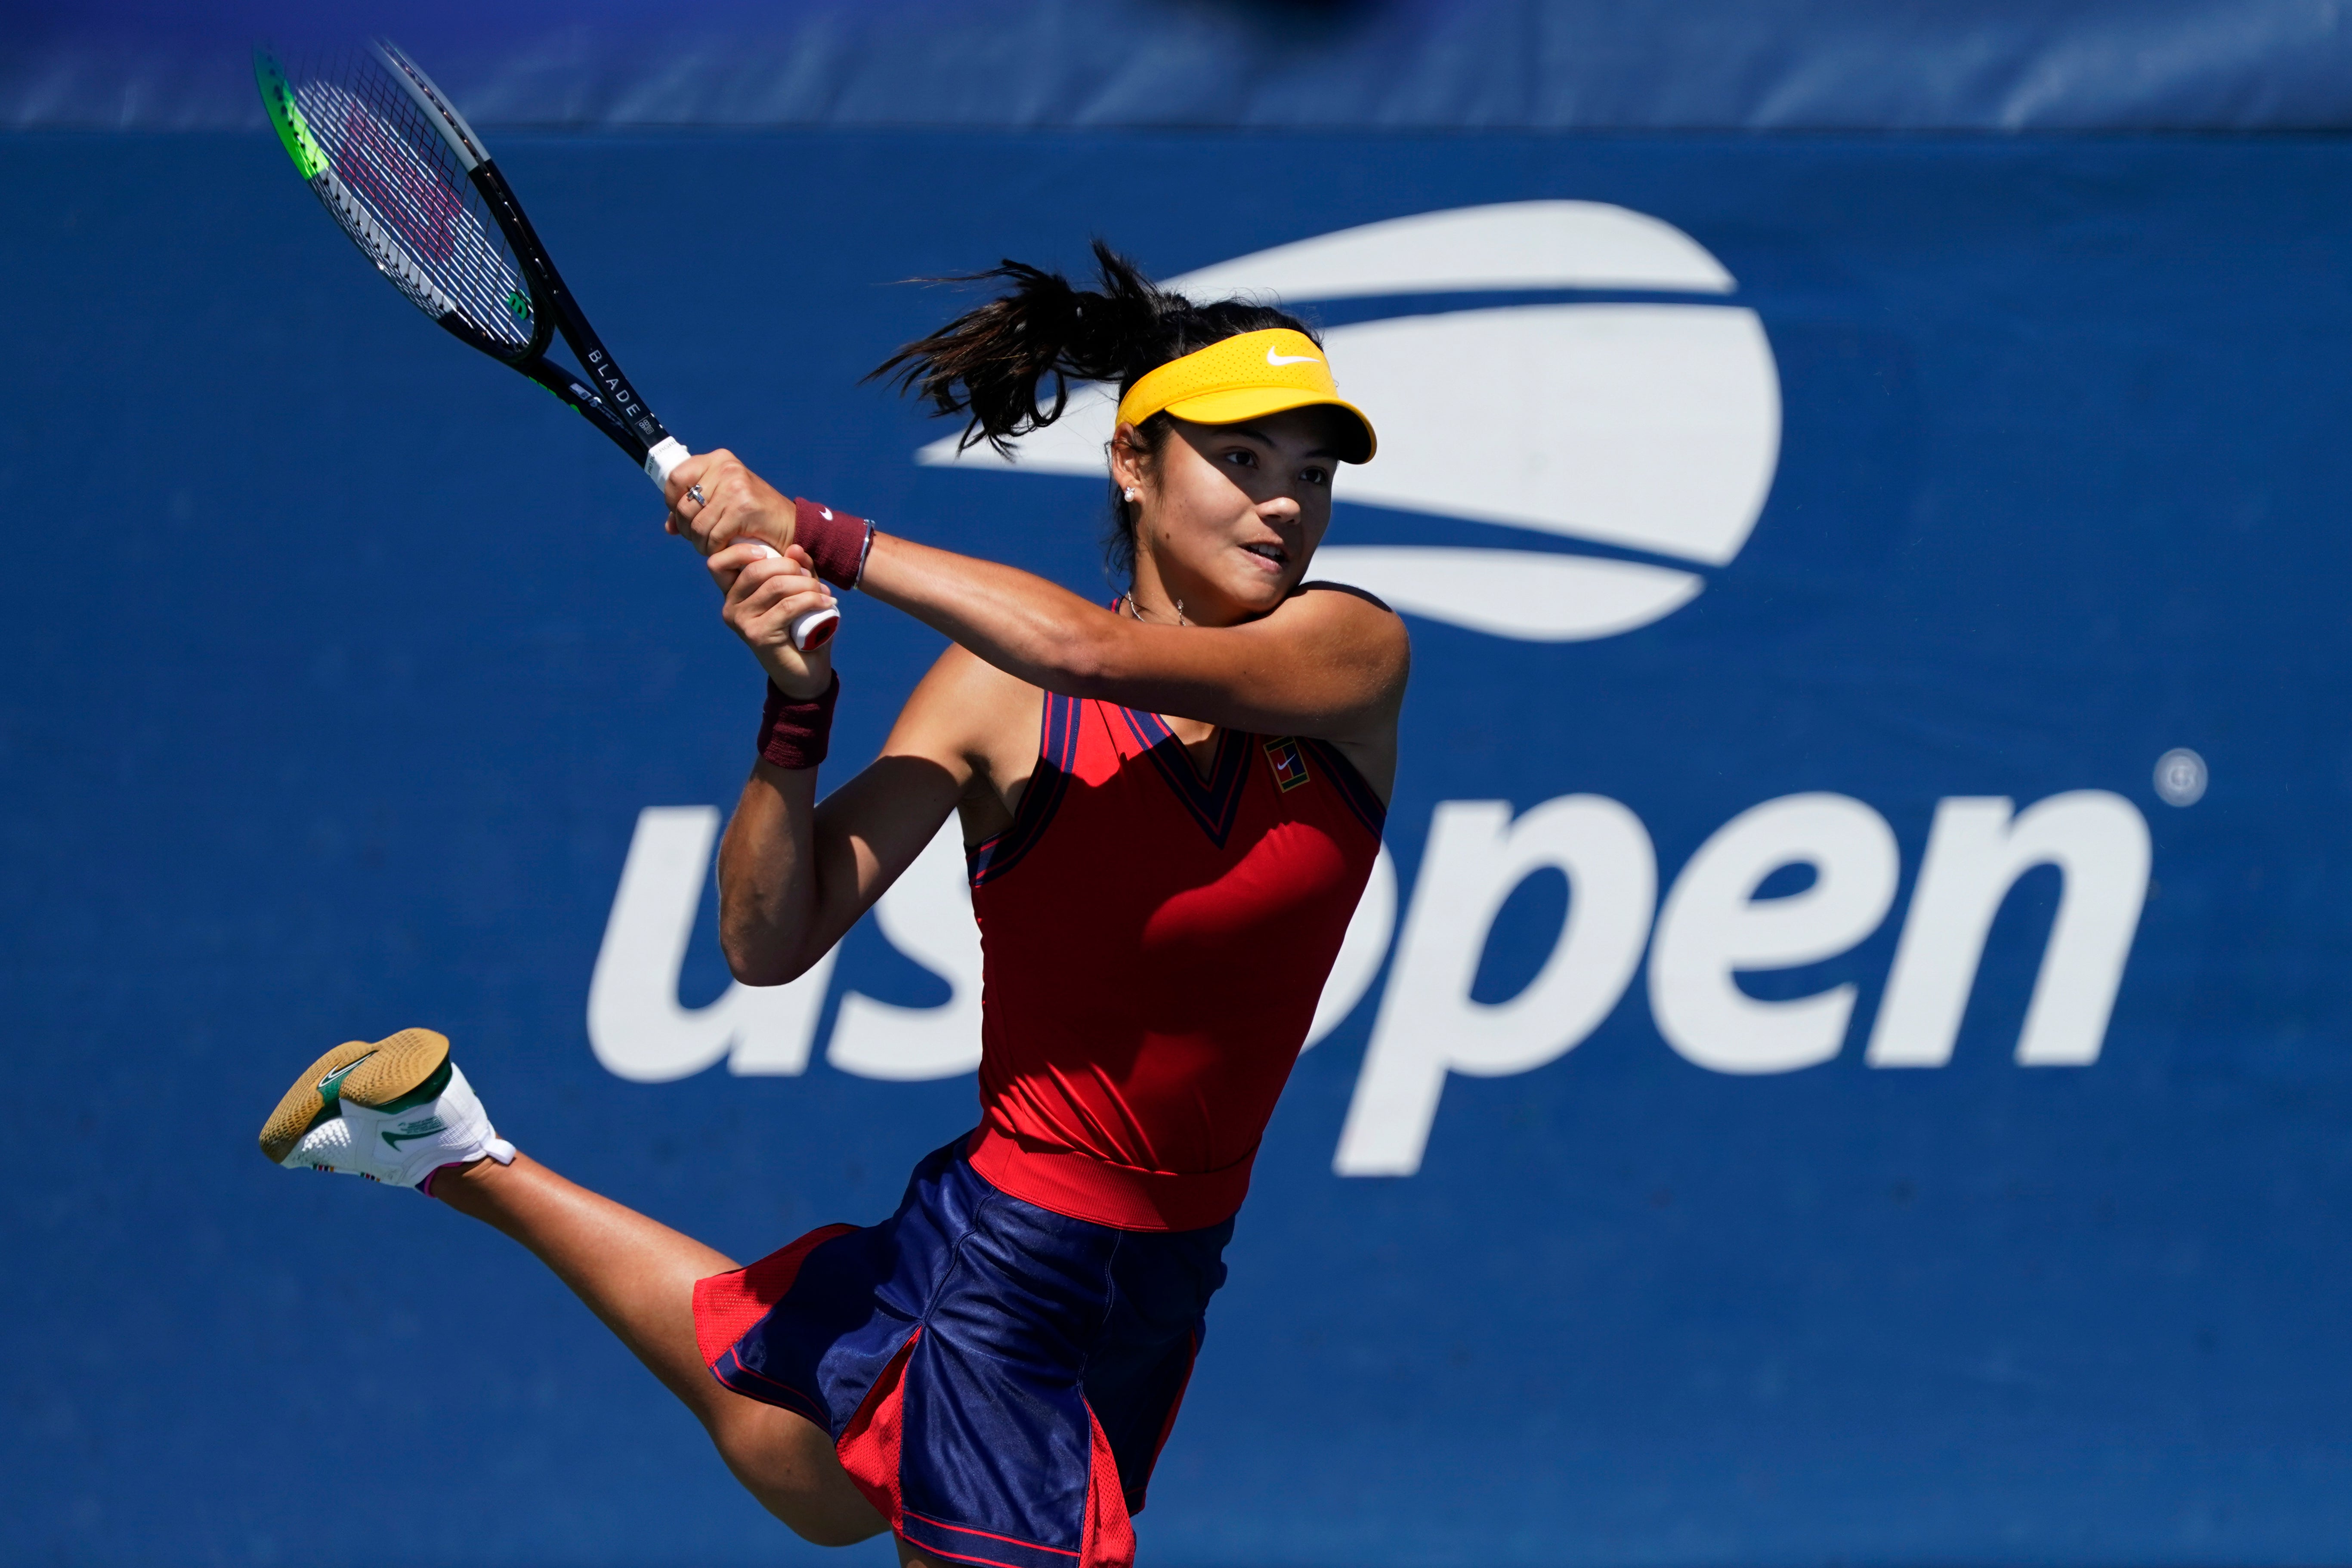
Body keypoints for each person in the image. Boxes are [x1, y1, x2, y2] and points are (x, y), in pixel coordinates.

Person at [256, 244, 1408, 1568]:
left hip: (1167, 1268)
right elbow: (768, 940)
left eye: (1311, 473)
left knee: (801, 1472)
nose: (1284, 506)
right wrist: (796, 714)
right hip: (1017, 1263)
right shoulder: (995, 701)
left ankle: (449, 1150)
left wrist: (808, 527)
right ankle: (450, 1153)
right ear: (1134, 466)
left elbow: (1094, 648)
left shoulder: (1352, 653)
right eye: (1243, 461)